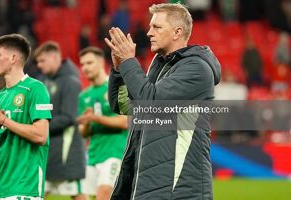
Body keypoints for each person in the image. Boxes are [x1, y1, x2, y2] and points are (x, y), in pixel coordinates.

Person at [105, 3, 221, 200]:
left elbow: (151, 103)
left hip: (178, 189)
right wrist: (118, 70)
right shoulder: (160, 67)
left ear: (177, 32)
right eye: (150, 26)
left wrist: (128, 62)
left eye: (156, 27)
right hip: (149, 184)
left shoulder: (197, 69)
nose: (149, 33)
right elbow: (124, 106)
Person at [0, 33, 52, 200]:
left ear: (13, 58)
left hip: (25, 188)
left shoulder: (36, 89)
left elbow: (41, 135)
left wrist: (3, 120)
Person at [34, 41, 86, 200]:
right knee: (35, 192)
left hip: (66, 150)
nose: (39, 65)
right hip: (47, 149)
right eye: (37, 62)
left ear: (55, 57)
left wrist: (39, 127)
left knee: (76, 194)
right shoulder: (42, 81)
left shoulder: (70, 81)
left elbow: (69, 117)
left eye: (42, 61)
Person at [77, 46, 128, 200]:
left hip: (114, 152)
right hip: (93, 154)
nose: (85, 68)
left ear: (100, 62)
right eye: (83, 64)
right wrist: (86, 123)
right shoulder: (84, 96)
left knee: (103, 195)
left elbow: (126, 121)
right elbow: (83, 133)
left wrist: (96, 118)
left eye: (89, 63)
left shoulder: (119, 86)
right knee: (81, 196)